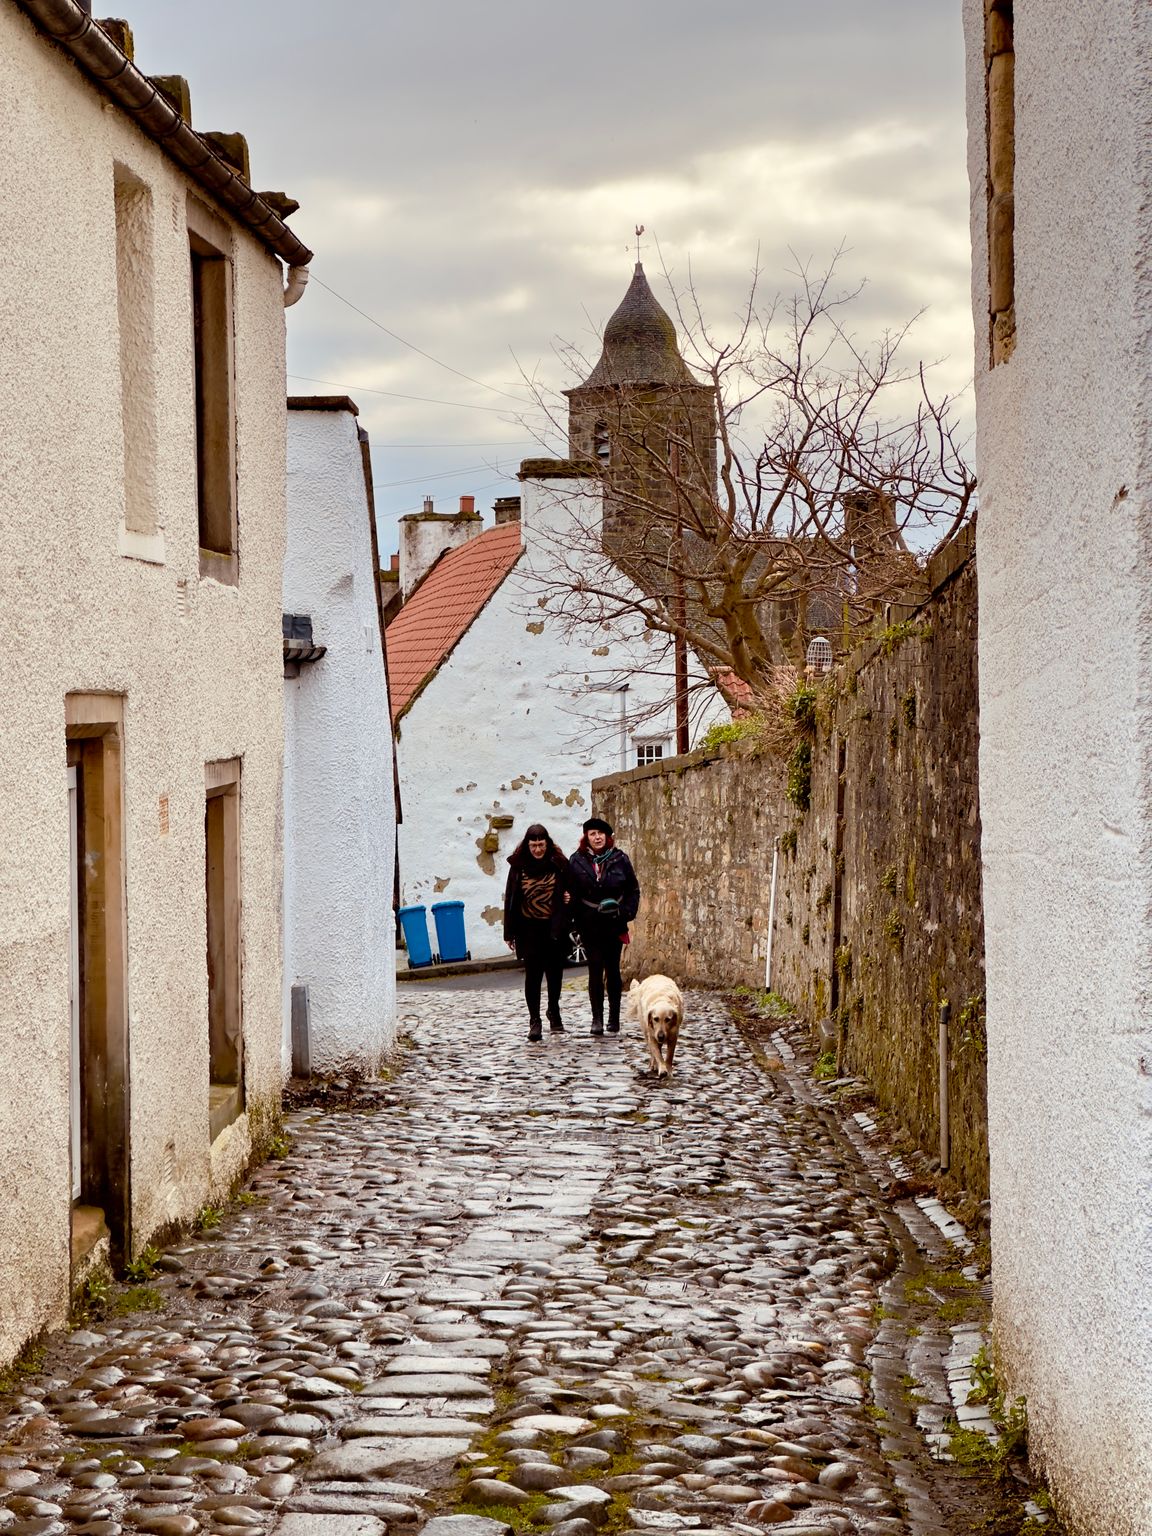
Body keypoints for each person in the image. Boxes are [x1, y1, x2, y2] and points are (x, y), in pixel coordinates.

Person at [569, 816, 640, 1037]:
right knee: (595, 969)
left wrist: (626, 913)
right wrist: (574, 917)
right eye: (593, 834)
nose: (597, 837)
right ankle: (597, 1018)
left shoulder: (620, 859)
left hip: (614, 922)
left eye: (601, 833)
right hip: (589, 924)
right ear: (586, 837)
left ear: (607, 837)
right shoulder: (577, 861)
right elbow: (571, 892)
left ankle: (614, 1018)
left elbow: (632, 890)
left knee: (613, 970)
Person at [503, 823, 571, 1043]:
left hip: (554, 927)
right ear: (527, 845)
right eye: (534, 846)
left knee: (555, 974)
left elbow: (572, 888)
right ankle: (534, 1020)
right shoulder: (519, 866)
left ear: (547, 843)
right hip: (528, 928)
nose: (538, 850)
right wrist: (509, 932)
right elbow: (511, 899)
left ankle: (553, 1010)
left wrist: (569, 898)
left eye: (541, 845)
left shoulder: (558, 864)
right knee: (532, 975)